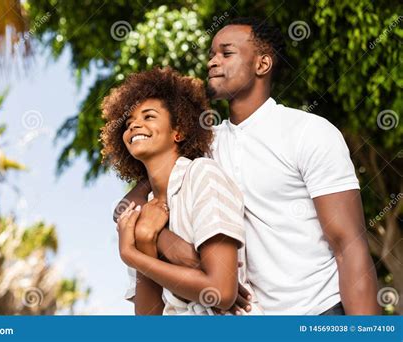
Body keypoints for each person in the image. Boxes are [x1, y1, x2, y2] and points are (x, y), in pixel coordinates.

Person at [115, 17, 379, 315]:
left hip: (318, 312)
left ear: (262, 64)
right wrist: (161, 239)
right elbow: (129, 207)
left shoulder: (309, 131)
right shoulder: (204, 147)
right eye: (212, 54)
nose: (213, 62)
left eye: (226, 54)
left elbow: (349, 246)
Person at [101, 67, 263, 315]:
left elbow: (220, 292)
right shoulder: (141, 216)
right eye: (129, 122)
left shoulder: (203, 176)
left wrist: (131, 255)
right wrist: (144, 241)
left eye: (148, 116)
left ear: (179, 131)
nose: (134, 126)